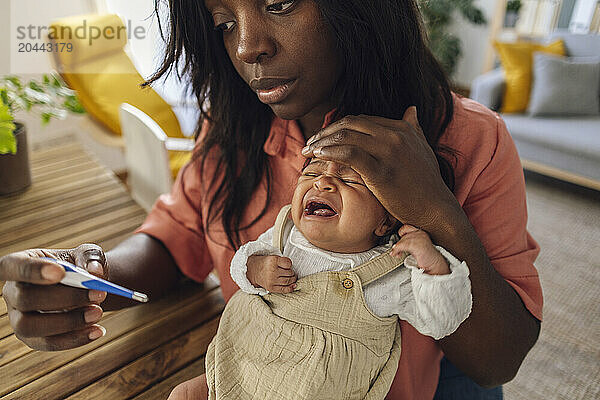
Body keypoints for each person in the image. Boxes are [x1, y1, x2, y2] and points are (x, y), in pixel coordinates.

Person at [0, 0, 542, 399]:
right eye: (224, 23)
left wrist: (431, 208)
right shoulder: (232, 123)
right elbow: (179, 235)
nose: (247, 46)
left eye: (279, 4)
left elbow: (500, 358)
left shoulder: (471, 139)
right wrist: (91, 275)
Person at [204, 158, 472, 399]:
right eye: (311, 172)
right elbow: (241, 262)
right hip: (247, 362)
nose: (322, 182)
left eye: (348, 180)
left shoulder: (391, 269)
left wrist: (432, 263)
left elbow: (442, 320)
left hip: (319, 387)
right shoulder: (285, 233)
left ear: (385, 221)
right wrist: (255, 268)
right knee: (186, 393)